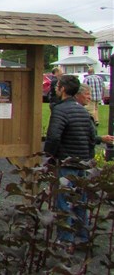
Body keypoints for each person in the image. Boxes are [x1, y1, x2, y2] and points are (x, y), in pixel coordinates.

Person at [44, 75, 96, 251]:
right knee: (81, 203)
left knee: (63, 203)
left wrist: (48, 157)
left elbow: (53, 136)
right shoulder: (82, 111)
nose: (56, 88)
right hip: (83, 163)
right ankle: (82, 238)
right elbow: (91, 137)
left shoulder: (60, 110)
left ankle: (65, 241)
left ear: (63, 89)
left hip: (66, 164)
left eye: (58, 85)